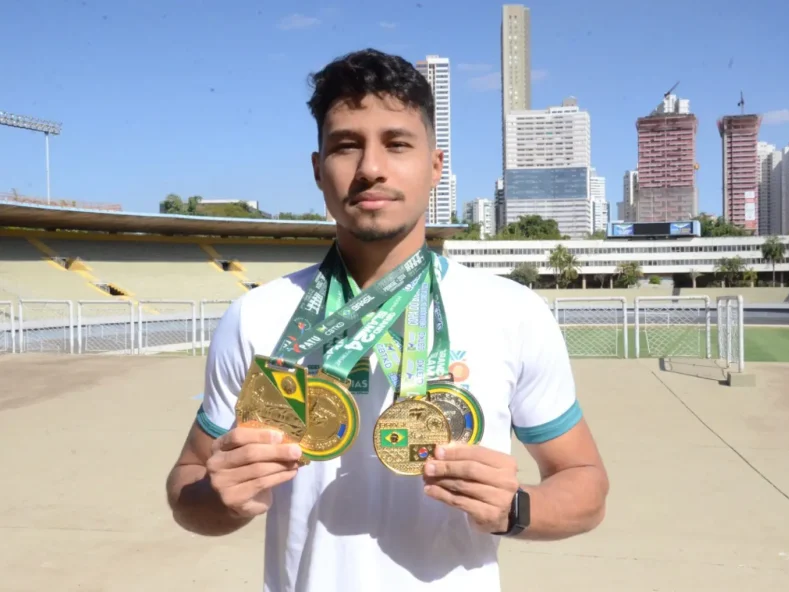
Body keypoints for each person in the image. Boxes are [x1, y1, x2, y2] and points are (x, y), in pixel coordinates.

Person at [165, 48, 609, 592]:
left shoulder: (512, 312)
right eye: (346, 145)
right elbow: (187, 482)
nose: (371, 167)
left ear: (435, 166)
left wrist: (515, 509)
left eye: (397, 144)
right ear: (317, 169)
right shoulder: (259, 317)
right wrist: (222, 498)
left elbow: (585, 484)